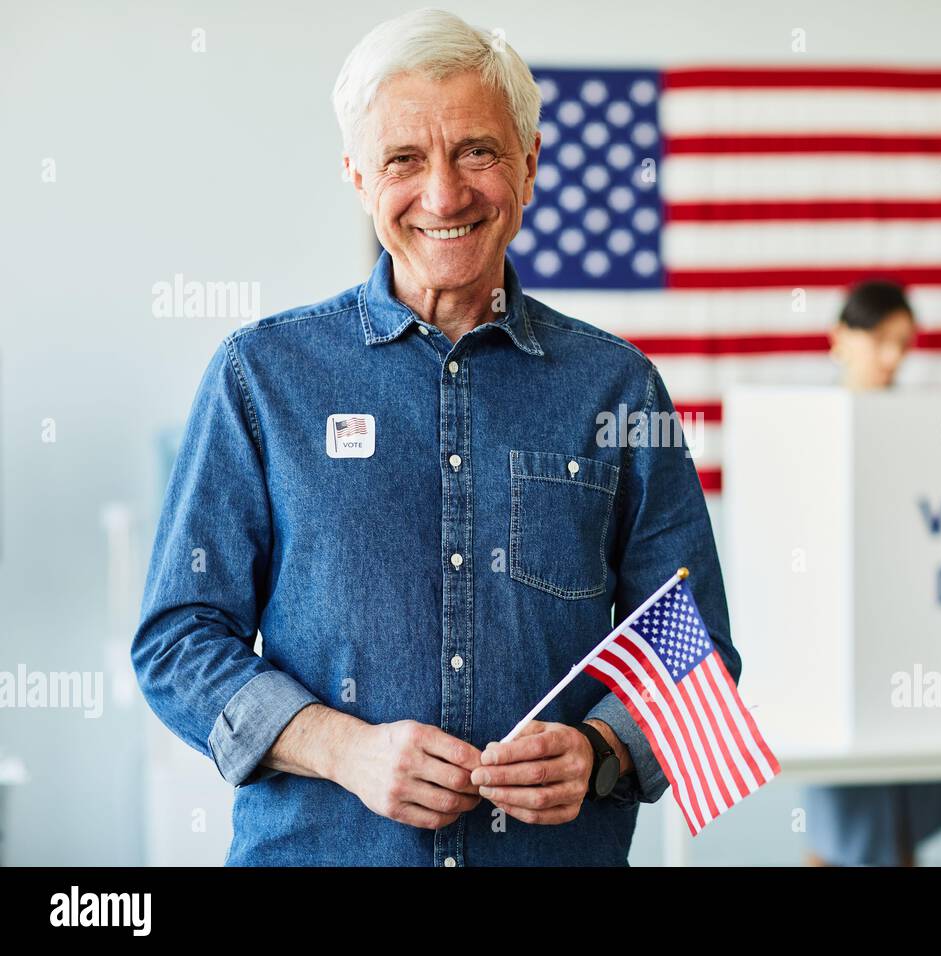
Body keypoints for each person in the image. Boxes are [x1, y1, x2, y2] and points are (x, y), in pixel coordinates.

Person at [131, 8, 738, 866]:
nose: (445, 194)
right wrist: (340, 749)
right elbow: (177, 640)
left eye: (478, 152)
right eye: (404, 159)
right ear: (355, 173)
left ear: (529, 165)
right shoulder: (259, 378)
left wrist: (601, 751)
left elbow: (694, 644)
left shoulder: (618, 388)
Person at [804, 280, 941, 866]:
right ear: (840, 339)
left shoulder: (921, 426)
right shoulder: (807, 427)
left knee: (905, 819)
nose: (893, 356)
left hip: (910, 641)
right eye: (879, 339)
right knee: (840, 826)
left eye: (903, 342)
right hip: (833, 651)